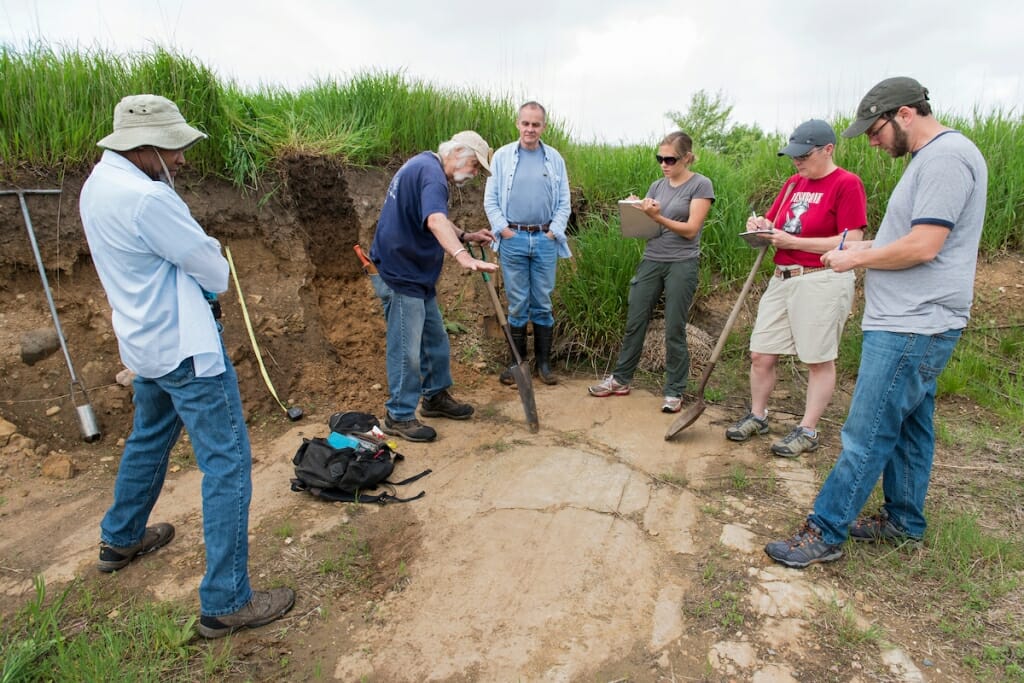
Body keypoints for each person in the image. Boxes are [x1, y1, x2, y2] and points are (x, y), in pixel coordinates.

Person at [79, 94, 295, 638]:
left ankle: (121, 537)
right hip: (185, 347)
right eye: (173, 147)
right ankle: (226, 601)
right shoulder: (148, 199)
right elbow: (211, 268)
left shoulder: (97, 185)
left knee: (150, 436)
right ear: (144, 145)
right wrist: (210, 250)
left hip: (143, 341)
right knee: (227, 461)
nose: (180, 158)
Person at [765, 77, 988, 568]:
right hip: (915, 319)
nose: (871, 140)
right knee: (910, 426)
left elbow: (924, 246)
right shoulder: (930, 160)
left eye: (874, 129)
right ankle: (903, 520)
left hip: (914, 322)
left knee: (867, 431)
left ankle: (824, 530)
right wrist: (859, 246)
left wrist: (855, 261)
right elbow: (909, 238)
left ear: (905, 114)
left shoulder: (946, 159)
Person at [725, 120, 867, 457]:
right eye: (793, 155)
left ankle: (807, 429)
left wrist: (795, 240)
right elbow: (775, 224)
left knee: (817, 358)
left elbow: (853, 241)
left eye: (804, 155)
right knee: (761, 352)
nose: (797, 161)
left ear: (828, 149)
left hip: (822, 277)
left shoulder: (847, 184)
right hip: (782, 276)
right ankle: (758, 416)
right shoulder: (793, 183)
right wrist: (760, 227)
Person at [369, 131, 497, 443]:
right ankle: (397, 415)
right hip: (401, 274)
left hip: (415, 275)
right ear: (456, 153)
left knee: (435, 340)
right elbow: (436, 222)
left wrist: (465, 235)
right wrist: (463, 257)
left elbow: (432, 215)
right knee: (406, 351)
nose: (475, 173)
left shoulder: (426, 166)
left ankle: (435, 397)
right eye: (475, 165)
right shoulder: (433, 175)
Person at [588, 131, 715, 413]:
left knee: (674, 327)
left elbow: (691, 230)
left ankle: (674, 390)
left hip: (682, 262)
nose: (664, 164)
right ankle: (620, 379)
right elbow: (649, 228)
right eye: (660, 158)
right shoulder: (657, 186)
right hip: (652, 258)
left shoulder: (701, 185)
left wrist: (657, 216)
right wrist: (637, 210)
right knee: (635, 320)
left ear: (687, 158)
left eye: (670, 159)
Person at [484, 101, 572, 385]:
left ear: (543, 127)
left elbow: (564, 202)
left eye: (536, 124)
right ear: (518, 124)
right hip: (514, 239)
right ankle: (517, 364)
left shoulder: (555, 158)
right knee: (518, 304)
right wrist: (503, 230)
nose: (530, 129)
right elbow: (490, 199)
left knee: (542, 303)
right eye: (526, 123)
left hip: (545, 239)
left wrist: (553, 231)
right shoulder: (502, 157)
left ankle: (544, 365)